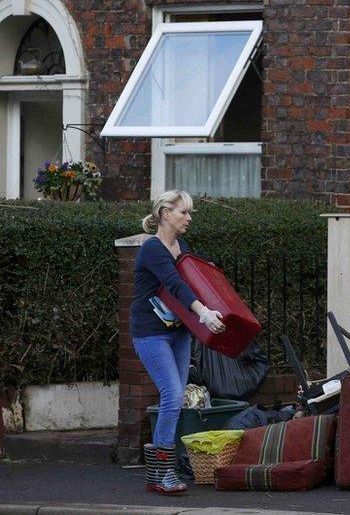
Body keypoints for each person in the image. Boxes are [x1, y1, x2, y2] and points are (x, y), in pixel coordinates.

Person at [132, 190, 225, 494]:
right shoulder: (152, 249)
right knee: (172, 395)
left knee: (178, 396)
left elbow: (187, 280)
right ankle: (162, 473)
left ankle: (158, 472)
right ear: (164, 213)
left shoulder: (180, 246)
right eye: (183, 212)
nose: (189, 218)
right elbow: (174, 283)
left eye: (190, 213)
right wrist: (203, 313)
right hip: (151, 333)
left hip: (178, 332)